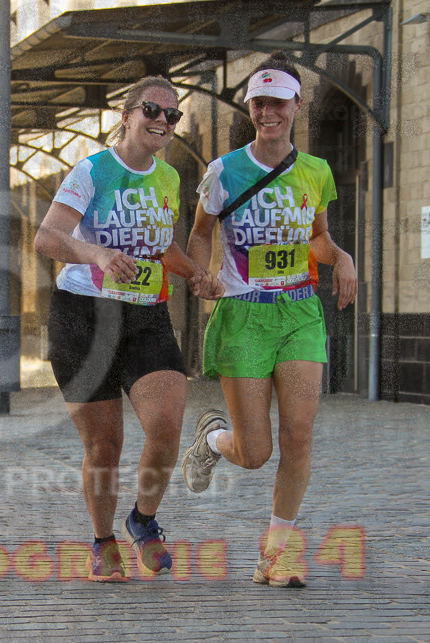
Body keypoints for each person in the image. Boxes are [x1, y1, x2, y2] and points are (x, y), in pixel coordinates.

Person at [33, 76, 222, 582]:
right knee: (105, 445)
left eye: (171, 115)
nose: (162, 121)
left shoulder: (167, 178)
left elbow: (162, 247)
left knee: (165, 424)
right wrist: (94, 252)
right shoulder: (92, 171)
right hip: (83, 317)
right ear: (126, 115)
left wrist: (197, 275)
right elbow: (46, 237)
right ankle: (101, 541)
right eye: (151, 111)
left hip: (146, 314)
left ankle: (143, 519)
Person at [184, 53, 357, 588]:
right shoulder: (224, 171)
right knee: (256, 452)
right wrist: (202, 275)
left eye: (277, 102)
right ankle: (213, 439)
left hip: (301, 311)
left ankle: (275, 557)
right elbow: (199, 233)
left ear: (296, 105)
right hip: (244, 316)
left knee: (299, 436)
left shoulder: (316, 172)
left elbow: (318, 240)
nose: (267, 112)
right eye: (259, 103)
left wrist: (344, 258)